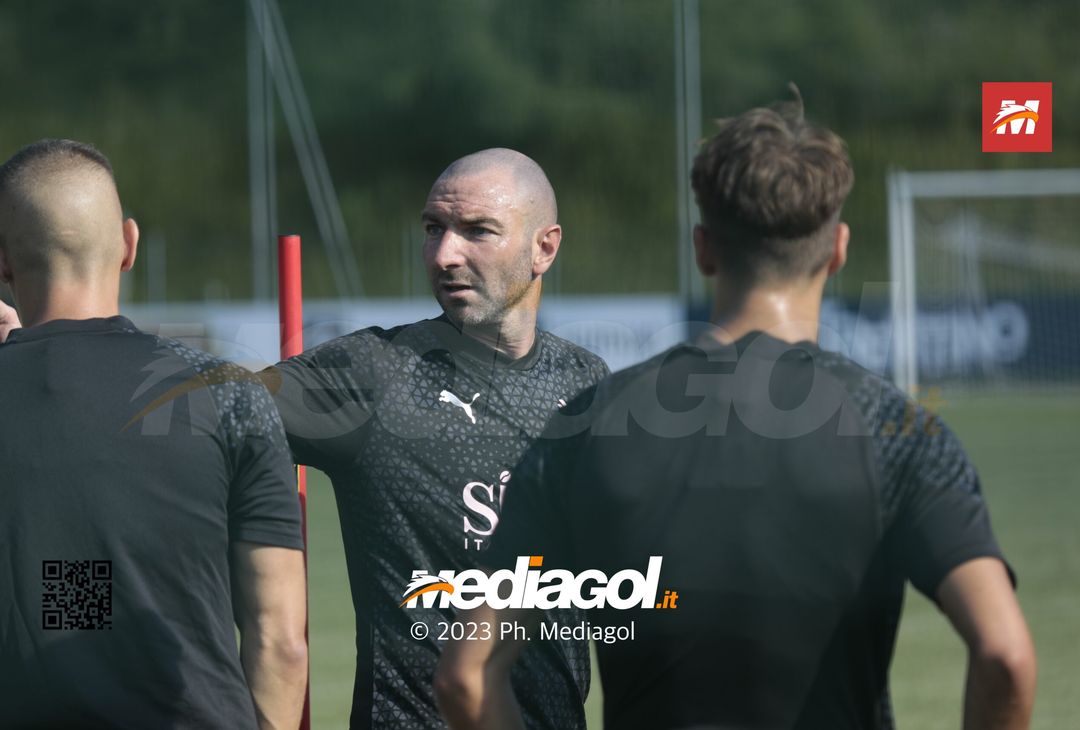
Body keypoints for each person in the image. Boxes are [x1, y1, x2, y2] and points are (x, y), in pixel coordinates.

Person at [436, 96, 1037, 729]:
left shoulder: (585, 427)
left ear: (703, 248)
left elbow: (468, 675)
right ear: (837, 249)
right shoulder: (895, 431)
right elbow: (1005, 656)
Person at [265, 148, 609, 729]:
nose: (445, 254)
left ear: (543, 248)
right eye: (433, 229)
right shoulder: (372, 373)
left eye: (477, 231)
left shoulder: (586, 382)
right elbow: (201, 416)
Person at [0, 139, 308, 729]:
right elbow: (280, 641)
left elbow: (72, 600)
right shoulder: (227, 394)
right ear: (130, 245)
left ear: (2, 261)